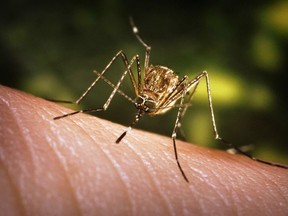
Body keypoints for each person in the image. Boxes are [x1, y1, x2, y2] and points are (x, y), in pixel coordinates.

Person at [1, 85, 287, 215]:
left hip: (164, 90)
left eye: (142, 108)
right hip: (151, 86)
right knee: (132, 56)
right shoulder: (140, 92)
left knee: (201, 75)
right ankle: (86, 102)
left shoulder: (165, 100)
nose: (139, 111)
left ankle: (208, 136)